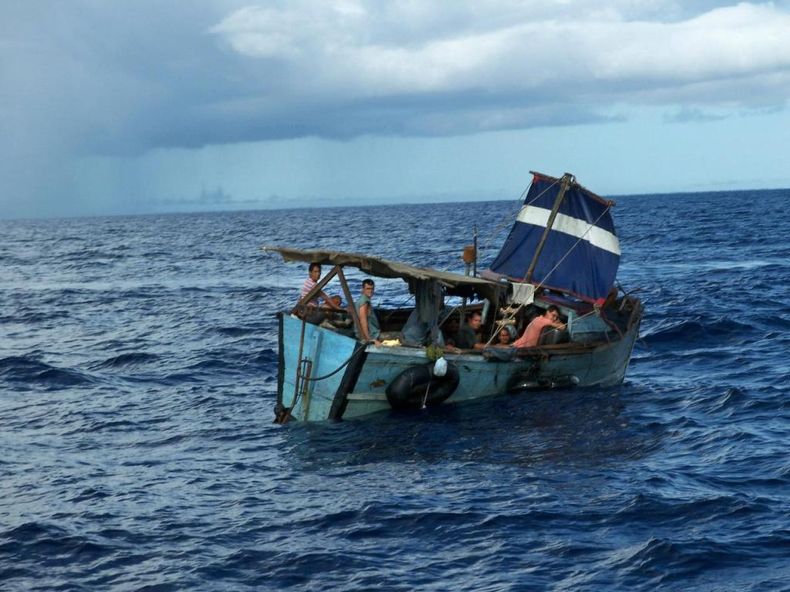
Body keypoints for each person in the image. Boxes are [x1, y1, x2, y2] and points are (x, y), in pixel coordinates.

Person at [355, 278, 381, 344]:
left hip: (372, 333)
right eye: (368, 289)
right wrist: (369, 339)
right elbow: (363, 321)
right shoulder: (364, 301)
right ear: (363, 289)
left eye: (372, 289)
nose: (370, 291)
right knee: (398, 336)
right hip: (371, 335)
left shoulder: (362, 300)